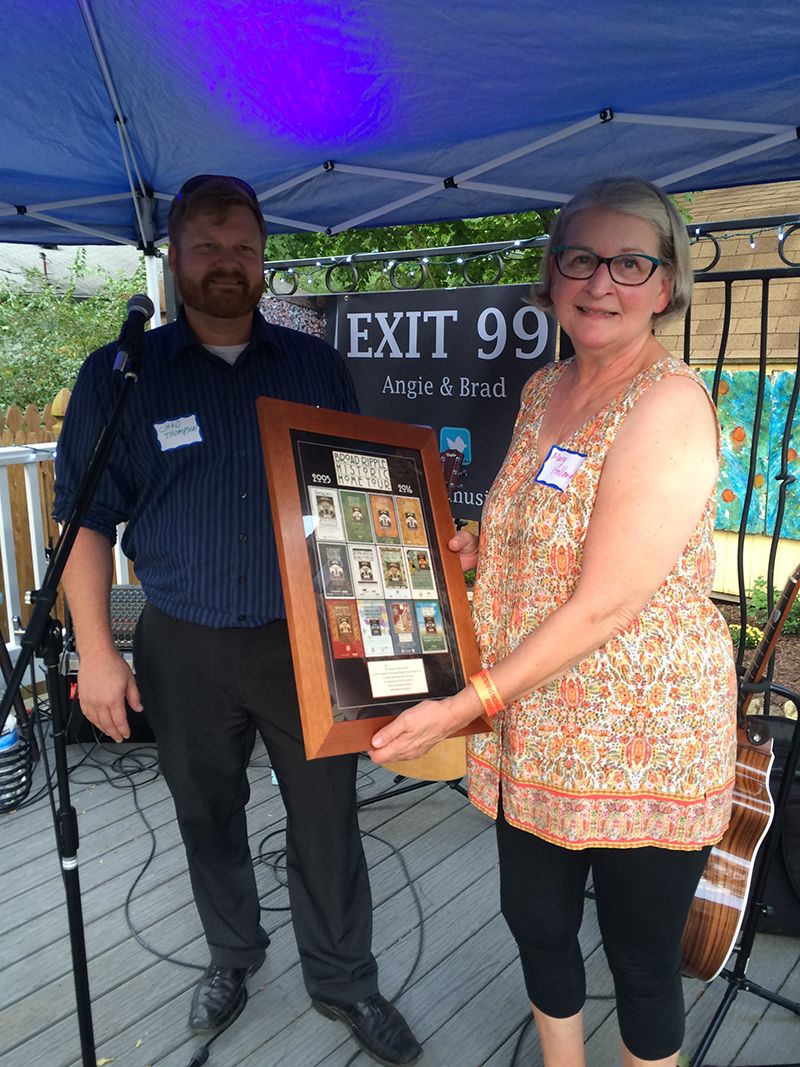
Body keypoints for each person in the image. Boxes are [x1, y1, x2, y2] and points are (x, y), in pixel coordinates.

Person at [53, 174, 422, 1067]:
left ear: (264, 261)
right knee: (206, 811)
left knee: (327, 814)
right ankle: (232, 953)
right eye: (208, 247)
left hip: (307, 636)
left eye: (244, 249)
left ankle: (345, 978)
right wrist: (96, 654)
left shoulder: (315, 365)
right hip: (181, 638)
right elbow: (86, 523)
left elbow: (358, 498)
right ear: (174, 258)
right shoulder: (118, 373)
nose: (228, 264)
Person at [369, 177, 737, 1067]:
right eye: (580, 257)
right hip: (535, 722)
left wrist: (463, 706)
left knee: (642, 960)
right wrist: (476, 544)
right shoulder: (545, 388)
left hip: (636, 737)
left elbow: (610, 595)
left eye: (630, 261)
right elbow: (540, 522)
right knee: (535, 924)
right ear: (553, 273)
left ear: (665, 284)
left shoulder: (668, 402)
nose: (600, 281)